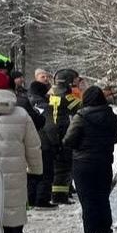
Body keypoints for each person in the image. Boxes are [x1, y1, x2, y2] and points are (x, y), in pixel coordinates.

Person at [0, 70, 42, 233]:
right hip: (12, 181)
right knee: (6, 227)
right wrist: (36, 171)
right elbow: (33, 147)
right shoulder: (21, 115)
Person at [63, 86, 117, 233]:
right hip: (104, 163)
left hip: (83, 165)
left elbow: (68, 140)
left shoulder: (80, 117)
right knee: (103, 198)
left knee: (88, 201)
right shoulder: (112, 117)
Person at [45, 70, 82, 204]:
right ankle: (59, 196)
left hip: (48, 134)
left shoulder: (48, 95)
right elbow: (83, 106)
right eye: (75, 80)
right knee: (63, 165)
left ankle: (53, 193)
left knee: (53, 165)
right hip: (61, 133)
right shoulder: (68, 98)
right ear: (68, 82)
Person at [27, 81, 56, 208]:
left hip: (29, 142)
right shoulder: (44, 106)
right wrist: (56, 143)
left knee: (32, 171)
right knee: (46, 172)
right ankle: (42, 199)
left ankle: (31, 198)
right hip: (44, 143)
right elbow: (50, 127)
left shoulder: (26, 103)